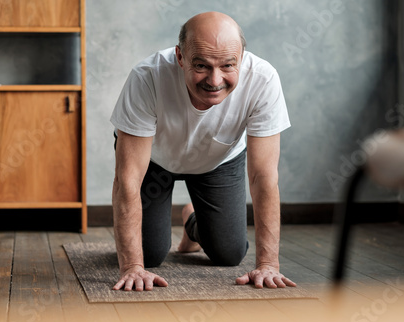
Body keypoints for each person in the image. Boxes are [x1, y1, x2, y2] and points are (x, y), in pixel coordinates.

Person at [110, 11, 296, 291]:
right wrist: (132, 267)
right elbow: (128, 179)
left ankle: (191, 221)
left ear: (242, 58)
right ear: (180, 57)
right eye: (201, 65)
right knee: (149, 255)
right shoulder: (146, 77)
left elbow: (262, 176)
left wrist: (268, 264)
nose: (214, 79)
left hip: (218, 161)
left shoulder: (263, 80)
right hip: (154, 163)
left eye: (227, 65)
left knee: (229, 254)